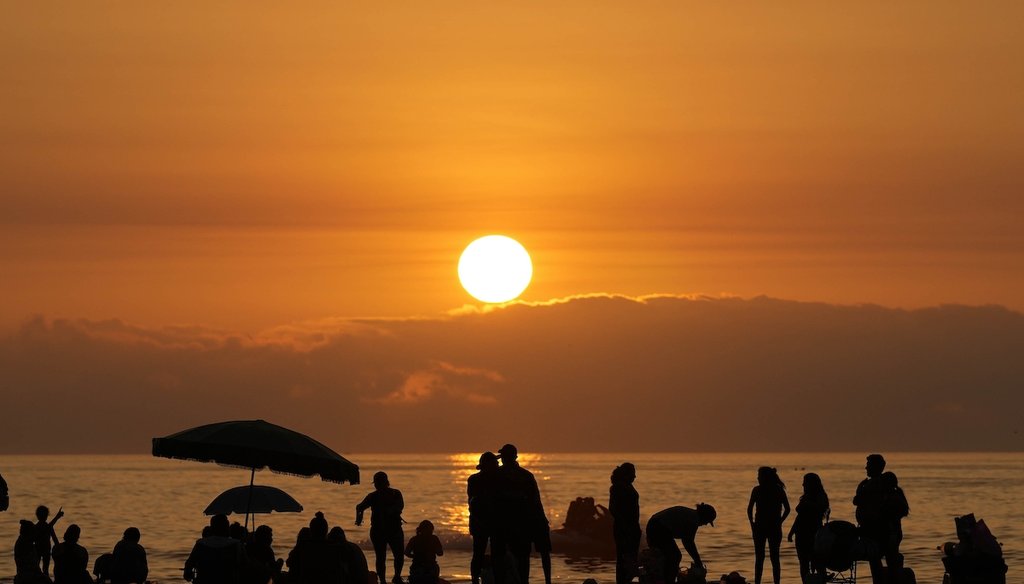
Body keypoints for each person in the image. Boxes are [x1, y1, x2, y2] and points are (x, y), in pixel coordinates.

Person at [492, 443, 545, 584]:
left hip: (502, 526)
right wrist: (540, 522)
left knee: (500, 561)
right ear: (515, 457)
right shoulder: (526, 476)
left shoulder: (496, 475)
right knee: (522, 561)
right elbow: (536, 502)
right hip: (521, 525)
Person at [645, 504, 716, 583]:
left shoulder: (691, 515)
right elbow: (688, 543)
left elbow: (687, 541)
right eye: (707, 521)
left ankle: (660, 578)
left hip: (653, 524)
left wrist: (697, 559)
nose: (705, 524)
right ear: (704, 516)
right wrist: (697, 561)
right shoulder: (693, 519)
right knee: (675, 556)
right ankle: (668, 581)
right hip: (658, 527)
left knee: (664, 557)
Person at [356, 472, 405, 584]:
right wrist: (359, 517)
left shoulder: (390, 494)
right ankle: (388, 579)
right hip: (386, 530)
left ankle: (394, 577)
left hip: (387, 530)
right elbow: (359, 507)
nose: (377, 485)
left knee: (390, 556)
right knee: (388, 556)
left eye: (378, 483)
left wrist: (359, 518)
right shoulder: (391, 494)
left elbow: (359, 507)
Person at [746, 467, 790, 584]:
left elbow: (749, 509)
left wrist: (752, 524)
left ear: (765, 477)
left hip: (764, 527)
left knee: (762, 558)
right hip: (766, 527)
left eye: (759, 476)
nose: (757, 478)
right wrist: (779, 521)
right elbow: (787, 509)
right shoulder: (776, 490)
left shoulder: (762, 490)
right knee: (773, 558)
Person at [853, 454, 890, 583]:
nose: (866, 467)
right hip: (872, 528)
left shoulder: (875, 484)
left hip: (874, 530)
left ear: (875, 467)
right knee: (875, 561)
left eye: (868, 465)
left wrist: (860, 488)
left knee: (875, 561)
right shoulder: (875, 483)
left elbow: (857, 500)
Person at [787, 473, 830, 582]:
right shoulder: (805, 497)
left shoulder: (820, 497)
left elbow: (820, 509)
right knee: (803, 563)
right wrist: (792, 531)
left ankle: (821, 581)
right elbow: (799, 516)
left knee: (817, 561)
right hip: (801, 533)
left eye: (805, 482)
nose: (803, 485)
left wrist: (808, 504)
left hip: (814, 533)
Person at [467, 452, 500, 584]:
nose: (498, 465)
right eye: (495, 463)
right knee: (480, 553)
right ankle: (476, 579)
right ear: (489, 465)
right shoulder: (476, 480)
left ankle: (481, 579)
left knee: (483, 553)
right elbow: (473, 503)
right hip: (481, 522)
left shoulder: (476, 479)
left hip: (485, 522)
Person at [184, 514, 245, 584]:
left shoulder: (201, 544)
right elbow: (245, 565)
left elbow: (189, 565)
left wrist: (189, 574)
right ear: (227, 528)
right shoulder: (236, 544)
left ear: (212, 528)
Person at [609, 463, 640, 584]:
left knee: (631, 559)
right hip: (624, 529)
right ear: (626, 474)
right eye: (632, 473)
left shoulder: (628, 486)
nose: (635, 476)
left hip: (632, 528)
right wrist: (626, 526)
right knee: (624, 559)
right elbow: (613, 509)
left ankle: (626, 580)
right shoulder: (617, 487)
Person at [880, 471, 909, 575]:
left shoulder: (893, 497)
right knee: (891, 557)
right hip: (894, 533)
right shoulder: (895, 495)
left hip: (893, 533)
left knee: (891, 559)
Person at [15, 519, 48, 584]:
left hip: (27, 576)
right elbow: (30, 567)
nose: (35, 535)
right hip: (27, 577)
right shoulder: (25, 545)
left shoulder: (25, 542)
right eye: (33, 532)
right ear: (29, 533)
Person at [35, 505, 64, 576]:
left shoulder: (36, 527)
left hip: (39, 549)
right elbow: (54, 539)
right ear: (47, 516)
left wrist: (57, 517)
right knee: (45, 570)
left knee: (37, 569)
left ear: (37, 515)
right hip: (45, 550)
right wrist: (57, 517)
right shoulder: (46, 527)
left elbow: (54, 538)